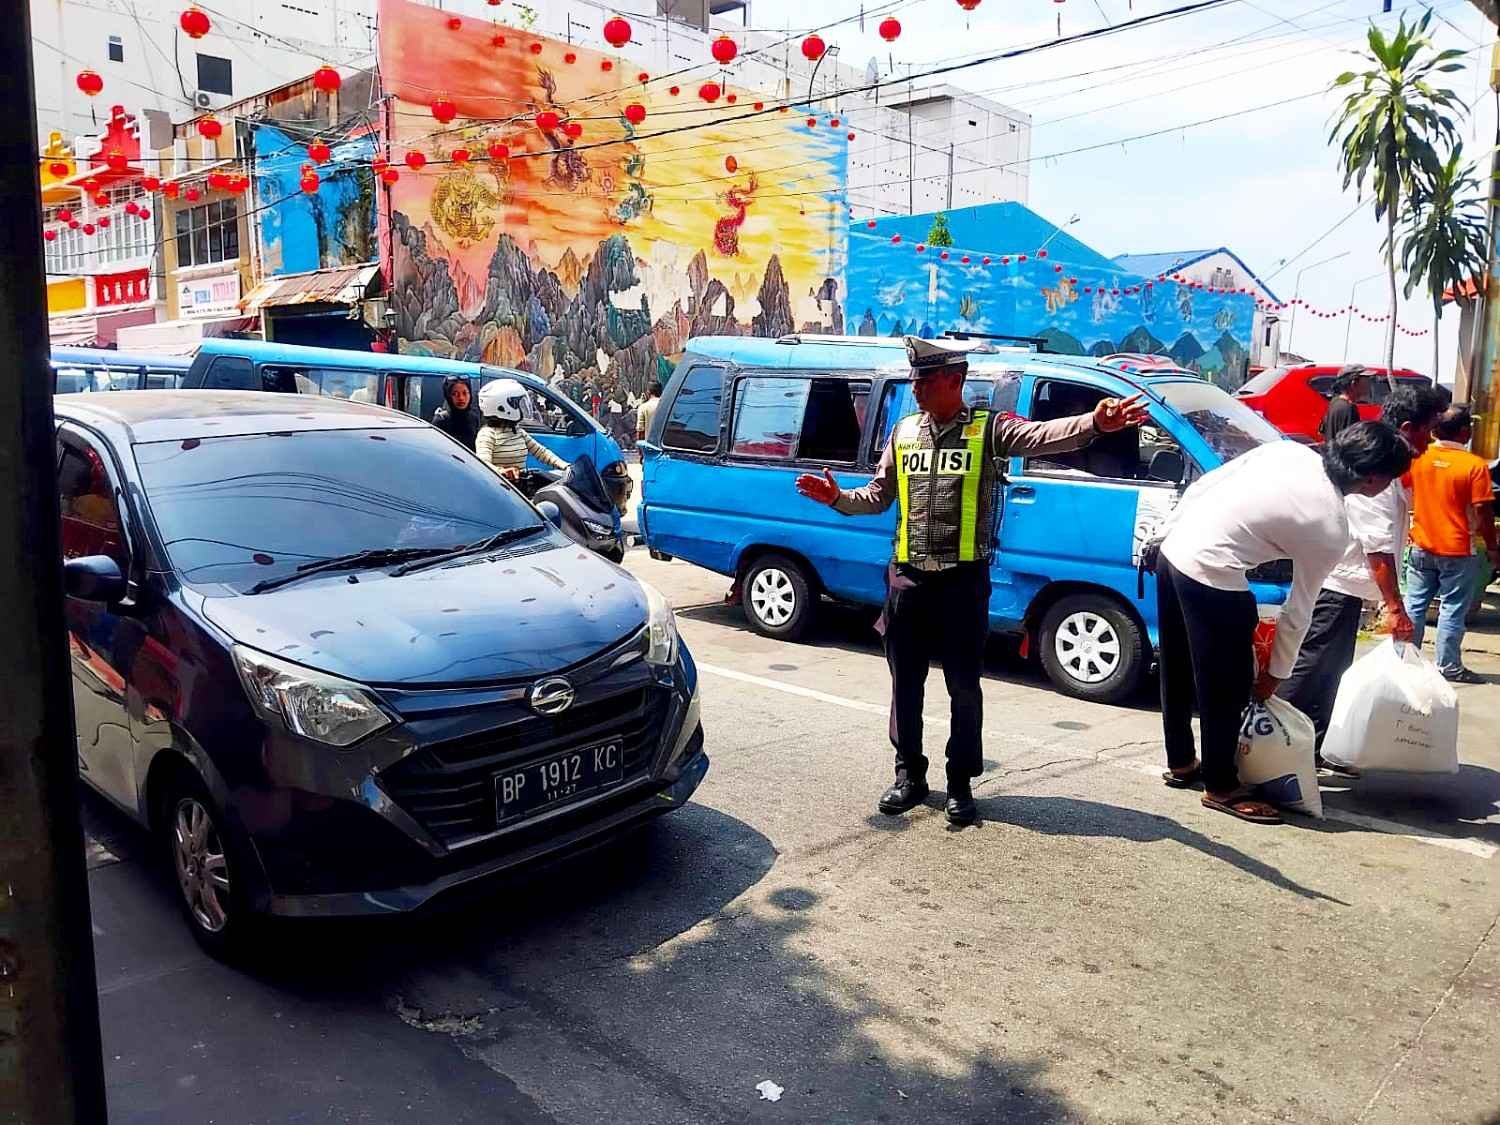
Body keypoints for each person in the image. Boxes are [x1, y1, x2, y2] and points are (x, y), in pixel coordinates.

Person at [794, 336, 1148, 826]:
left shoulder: (990, 429)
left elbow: (1043, 436)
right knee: (906, 687)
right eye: (914, 379)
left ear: (954, 380)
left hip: (962, 585)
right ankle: (909, 777)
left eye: (925, 379)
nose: (915, 388)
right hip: (907, 583)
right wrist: (837, 497)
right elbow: (877, 497)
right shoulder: (904, 433)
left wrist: (1095, 422)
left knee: (964, 688)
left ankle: (959, 783)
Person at [1156, 422, 1413, 824]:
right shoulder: (1330, 525)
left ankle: (1182, 762)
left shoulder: (1288, 451)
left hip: (1171, 551)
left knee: (1177, 666)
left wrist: (1166, 532)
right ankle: (1221, 786)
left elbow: (1209, 484)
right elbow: (1299, 609)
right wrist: (1275, 674)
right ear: (1374, 479)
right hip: (1211, 571)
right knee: (1226, 686)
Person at [1278, 385, 1445, 763]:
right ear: (1407, 426)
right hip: (1336, 584)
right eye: (1427, 429)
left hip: (1347, 587)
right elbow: (1377, 549)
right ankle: (1262, 740)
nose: (1430, 439)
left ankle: (1311, 747)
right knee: (1309, 669)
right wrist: (1395, 607)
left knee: (1330, 672)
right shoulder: (1377, 465)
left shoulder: (1388, 463)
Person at [1404, 405, 1499, 683]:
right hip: (1458, 549)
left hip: (1421, 544)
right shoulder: (1474, 466)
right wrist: (1493, 548)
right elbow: (1483, 511)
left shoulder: (1419, 458)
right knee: (1452, 609)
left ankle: (1407, 662)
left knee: (1415, 605)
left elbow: (1403, 490)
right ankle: (1448, 666)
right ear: (1465, 432)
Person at [476, 378, 569, 480]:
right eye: (517, 403)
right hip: (499, 489)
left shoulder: (517, 431)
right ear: (502, 407)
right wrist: (502, 471)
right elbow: (482, 464)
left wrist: (565, 466)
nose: (521, 408)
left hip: (518, 488)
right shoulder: (487, 434)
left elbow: (541, 452)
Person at [430, 375, 483, 451]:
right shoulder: (441, 420)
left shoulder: (474, 417)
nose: (461, 398)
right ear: (448, 396)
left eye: (465, 393)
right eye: (455, 394)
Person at [1320, 365, 1367, 442]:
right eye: (1366, 380)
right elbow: (1350, 442)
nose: (1368, 383)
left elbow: (1322, 431)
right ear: (1354, 383)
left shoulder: (1335, 402)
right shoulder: (1349, 408)